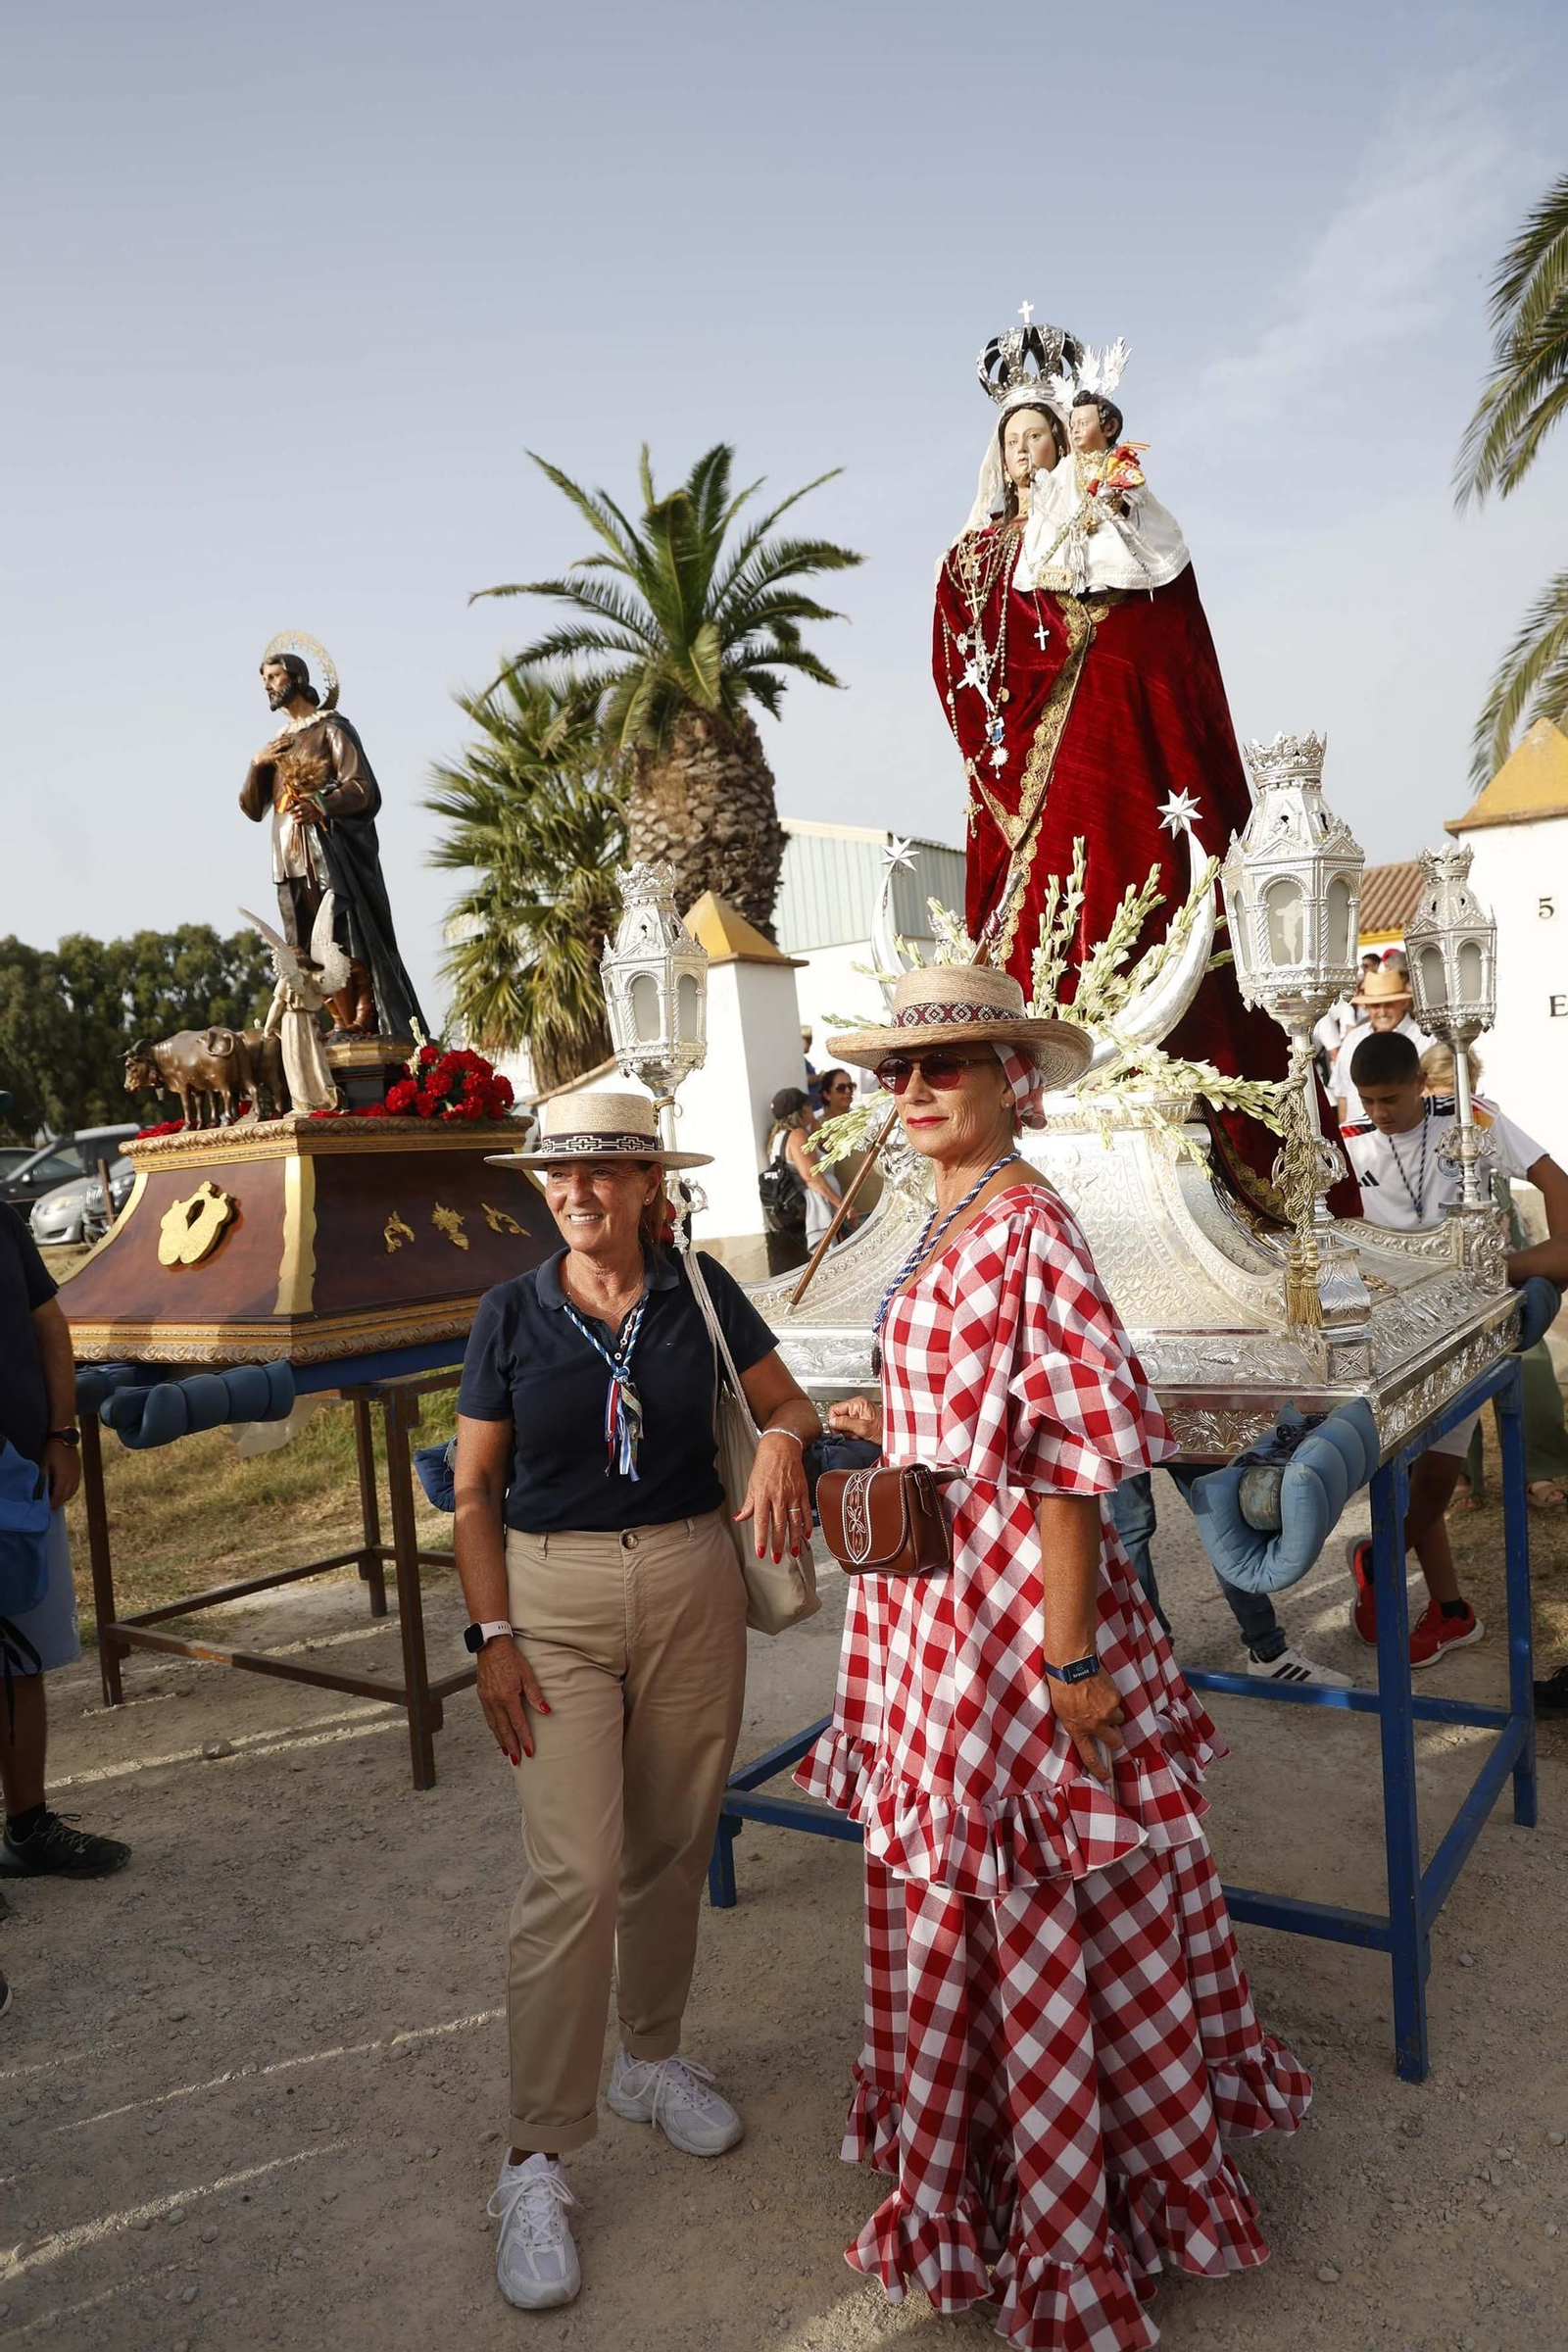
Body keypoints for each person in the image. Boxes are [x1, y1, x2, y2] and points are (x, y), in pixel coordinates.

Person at [799, 964, 1310, 2351]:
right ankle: (992, 2172)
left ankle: (1080, 2208)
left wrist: (1072, 1662)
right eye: (892, 1074)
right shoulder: (944, 1214)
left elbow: (1072, 1468)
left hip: (1015, 1630)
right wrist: (878, 1408)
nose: (908, 1094)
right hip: (934, 1621)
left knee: (1037, 1891)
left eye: (941, 1069)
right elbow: (973, 1402)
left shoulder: (1030, 1225)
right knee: (970, 1894)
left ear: (1010, 1078)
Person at [453, 1091, 821, 2314]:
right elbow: (470, 1492)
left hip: (688, 1576)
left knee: (670, 1845)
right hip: (548, 1600)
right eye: (557, 1172)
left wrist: (779, 1444)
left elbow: (787, 1406)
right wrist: (492, 1634)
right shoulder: (510, 1312)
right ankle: (534, 2153)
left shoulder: (702, 1292)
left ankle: (649, 2061)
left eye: (602, 1172)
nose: (575, 1192)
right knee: (573, 1870)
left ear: (649, 1184)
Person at [936, 318, 1326, 1217]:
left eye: (1040, 434)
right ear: (996, 457)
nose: (1029, 451)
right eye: (1015, 440)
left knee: (1124, 865)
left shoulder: (1112, 517)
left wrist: (1098, 500)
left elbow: (1157, 603)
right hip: (1019, 774)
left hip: (1112, 751)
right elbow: (965, 655)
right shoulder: (978, 557)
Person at [1340, 1030, 1568, 1666]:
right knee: (1411, 1480)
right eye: (1369, 1100)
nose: (1381, 1112)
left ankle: (1380, 1558)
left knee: (1435, 1482)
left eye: (1390, 1097)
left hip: (1467, 1328)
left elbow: (1555, 1178)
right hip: (1390, 1335)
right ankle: (1449, 1611)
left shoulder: (1471, 1118)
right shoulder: (1349, 1144)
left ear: (1418, 1083)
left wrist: (1532, 1261)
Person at [0, 1201, 131, 1991]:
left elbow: (49, 1323)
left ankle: (28, 1827)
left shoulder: (4, 1223)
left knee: (21, 1658)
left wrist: (60, 1436)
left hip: (17, 1474)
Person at [239, 641, 428, 1042]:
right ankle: (339, 1021)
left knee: (341, 932)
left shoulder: (331, 729)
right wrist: (257, 764)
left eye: (274, 677)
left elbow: (364, 788)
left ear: (298, 678)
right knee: (303, 946)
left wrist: (322, 804)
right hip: (287, 855)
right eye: (264, 681)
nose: (268, 686)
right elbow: (252, 808)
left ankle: (365, 1018)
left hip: (326, 852)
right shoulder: (277, 744)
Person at [1419, 1045, 1568, 1515]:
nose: (1457, 1104)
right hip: (1437, 1264)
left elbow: (1549, 1175)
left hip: (1497, 1250)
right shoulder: (1402, 1129)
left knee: (1529, 1357)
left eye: (1466, 1091)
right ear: (1422, 1088)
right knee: (1450, 1367)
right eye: (1445, 1094)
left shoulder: (1483, 1119)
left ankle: (1538, 1467)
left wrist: (1549, 1253)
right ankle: (1462, 1476)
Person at [1108, 1468, 1351, 1689]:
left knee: (1216, 1516)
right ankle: (1158, 1662)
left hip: (1140, 1424)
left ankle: (1157, 1664)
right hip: (1127, 1425)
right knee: (1216, 1520)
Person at [1330, 965, 1428, 1127]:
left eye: (1388, 1004)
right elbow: (1343, 1094)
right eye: (1375, 1006)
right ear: (1366, 1007)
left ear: (1403, 1002)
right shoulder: (1352, 1040)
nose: (1382, 1011)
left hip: (1413, 1135)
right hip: (1361, 1140)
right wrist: (1346, 1136)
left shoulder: (1424, 1038)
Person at [767, 1086, 855, 1250]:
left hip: (809, 1210)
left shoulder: (777, 1137)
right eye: (807, 1106)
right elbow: (811, 1177)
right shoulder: (797, 1134)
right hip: (819, 1211)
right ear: (799, 1111)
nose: (811, 1109)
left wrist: (815, 1128)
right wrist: (843, 1206)